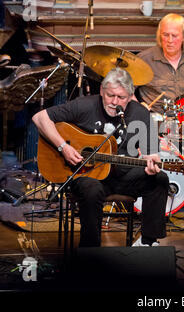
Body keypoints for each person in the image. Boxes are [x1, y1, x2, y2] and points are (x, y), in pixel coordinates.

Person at [32, 67, 169, 247]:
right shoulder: (85, 106)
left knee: (160, 178)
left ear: (130, 96)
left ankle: (149, 242)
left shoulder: (140, 114)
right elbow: (40, 117)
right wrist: (63, 147)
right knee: (92, 189)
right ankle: (91, 250)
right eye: (110, 95)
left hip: (123, 176)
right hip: (87, 175)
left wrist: (152, 167)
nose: (114, 102)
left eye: (121, 98)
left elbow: (152, 155)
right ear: (102, 91)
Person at [137, 13, 184, 200]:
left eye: (174, 35)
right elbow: (127, 91)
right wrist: (139, 105)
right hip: (156, 122)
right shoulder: (144, 58)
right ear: (159, 36)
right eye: (165, 35)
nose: (169, 40)